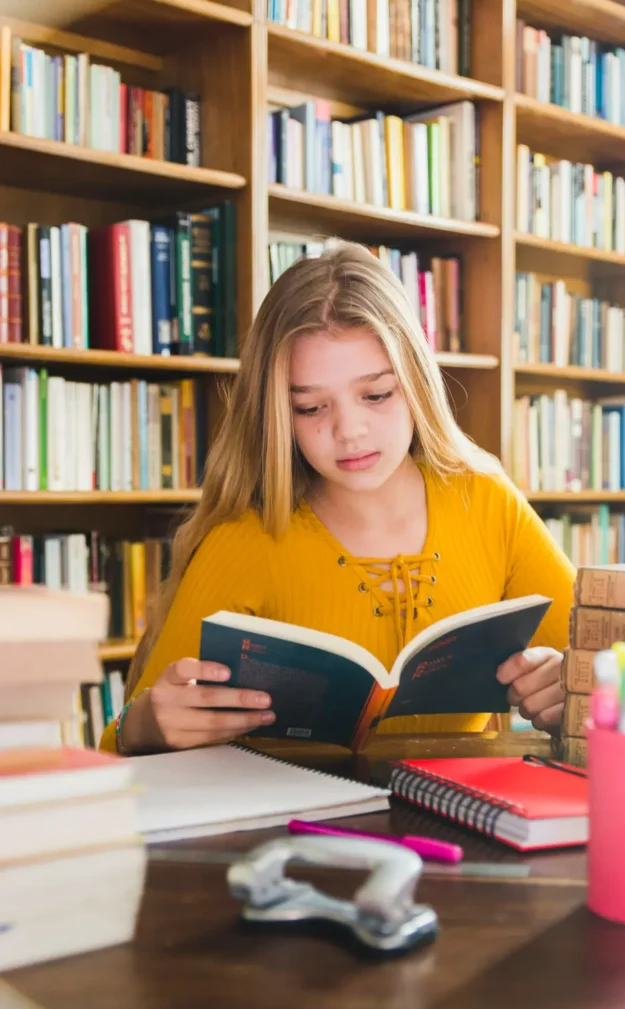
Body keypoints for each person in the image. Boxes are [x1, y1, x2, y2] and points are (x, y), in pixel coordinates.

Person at [100, 242, 575, 756]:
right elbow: (115, 747)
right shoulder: (244, 540)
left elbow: (612, 672)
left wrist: (566, 689)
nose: (349, 431)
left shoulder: (486, 501)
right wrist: (145, 724)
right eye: (309, 407)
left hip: (461, 822)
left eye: (376, 395)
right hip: (293, 829)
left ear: (416, 383)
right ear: (278, 416)